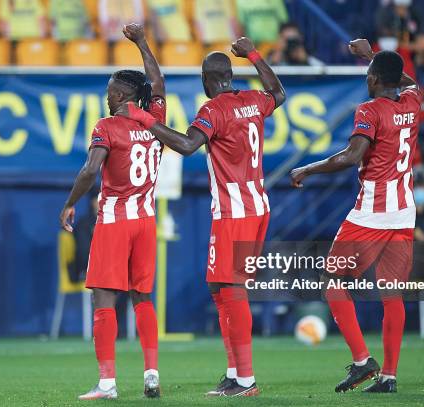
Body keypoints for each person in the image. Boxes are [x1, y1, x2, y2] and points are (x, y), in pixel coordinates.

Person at [119, 37, 285, 397]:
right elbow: (278, 92)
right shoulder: (253, 100)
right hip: (255, 205)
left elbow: (186, 144)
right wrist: (254, 55)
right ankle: (233, 372)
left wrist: (143, 118)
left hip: (234, 211)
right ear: (228, 75)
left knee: (232, 288)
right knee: (219, 287)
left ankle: (246, 379)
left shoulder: (214, 110)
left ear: (207, 80)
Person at [290, 39, 421, 393]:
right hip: (404, 213)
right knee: (393, 295)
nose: (366, 79)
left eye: (369, 74)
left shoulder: (369, 109)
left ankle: (363, 361)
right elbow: (409, 83)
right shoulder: (412, 100)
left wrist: (308, 169)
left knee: (333, 280)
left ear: (375, 80)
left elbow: (350, 156)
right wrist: (374, 56)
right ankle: (389, 377)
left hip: (371, 215)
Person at [59, 23, 165, 400]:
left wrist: (71, 203)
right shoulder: (156, 120)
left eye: (110, 91)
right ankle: (151, 375)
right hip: (145, 221)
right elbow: (157, 80)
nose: (107, 97)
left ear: (121, 94)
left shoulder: (107, 126)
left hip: (115, 221)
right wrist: (141, 42)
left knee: (103, 299)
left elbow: (90, 170)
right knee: (143, 298)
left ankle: (107, 383)